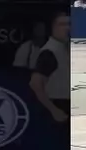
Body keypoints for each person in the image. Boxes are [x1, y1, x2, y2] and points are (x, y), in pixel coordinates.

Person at [29, 12, 69, 140]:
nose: (67, 28)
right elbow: (35, 83)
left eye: (69, 24)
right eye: (62, 24)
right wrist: (54, 110)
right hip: (57, 106)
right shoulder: (50, 51)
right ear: (53, 28)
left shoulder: (65, 48)